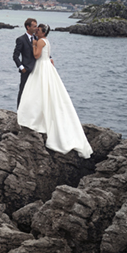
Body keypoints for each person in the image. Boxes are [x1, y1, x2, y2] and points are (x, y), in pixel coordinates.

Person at [17, 23, 93, 159]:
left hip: (41, 67)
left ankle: (34, 117)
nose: (36, 31)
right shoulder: (46, 41)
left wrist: (34, 44)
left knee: (36, 91)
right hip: (46, 66)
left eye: (38, 30)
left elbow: (36, 55)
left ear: (43, 32)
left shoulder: (40, 41)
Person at [13, 17, 38, 106]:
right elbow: (15, 56)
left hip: (37, 70)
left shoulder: (37, 38)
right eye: (34, 26)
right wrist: (21, 67)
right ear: (28, 27)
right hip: (26, 70)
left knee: (35, 92)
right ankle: (19, 111)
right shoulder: (21, 39)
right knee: (23, 91)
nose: (36, 28)